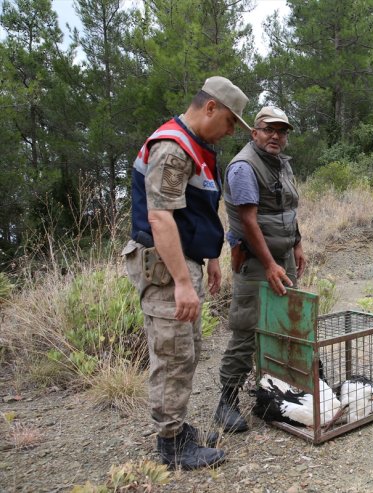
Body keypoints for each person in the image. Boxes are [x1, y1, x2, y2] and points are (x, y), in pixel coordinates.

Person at [122, 76, 249, 469]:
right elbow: (160, 218)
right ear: (210, 107)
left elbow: (196, 212)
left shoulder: (197, 148)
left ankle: (178, 428)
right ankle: (172, 444)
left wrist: (211, 257)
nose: (230, 132)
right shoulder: (173, 147)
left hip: (184, 262)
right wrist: (180, 282)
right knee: (173, 354)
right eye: (230, 121)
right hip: (165, 268)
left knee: (187, 349)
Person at [213, 106, 306, 432]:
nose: (276, 136)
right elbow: (249, 221)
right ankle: (226, 402)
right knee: (248, 330)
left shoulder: (280, 164)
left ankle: (272, 393)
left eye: (282, 131)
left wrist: (296, 243)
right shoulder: (244, 167)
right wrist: (268, 264)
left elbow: (288, 209)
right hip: (255, 261)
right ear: (255, 132)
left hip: (283, 257)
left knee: (284, 323)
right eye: (269, 129)